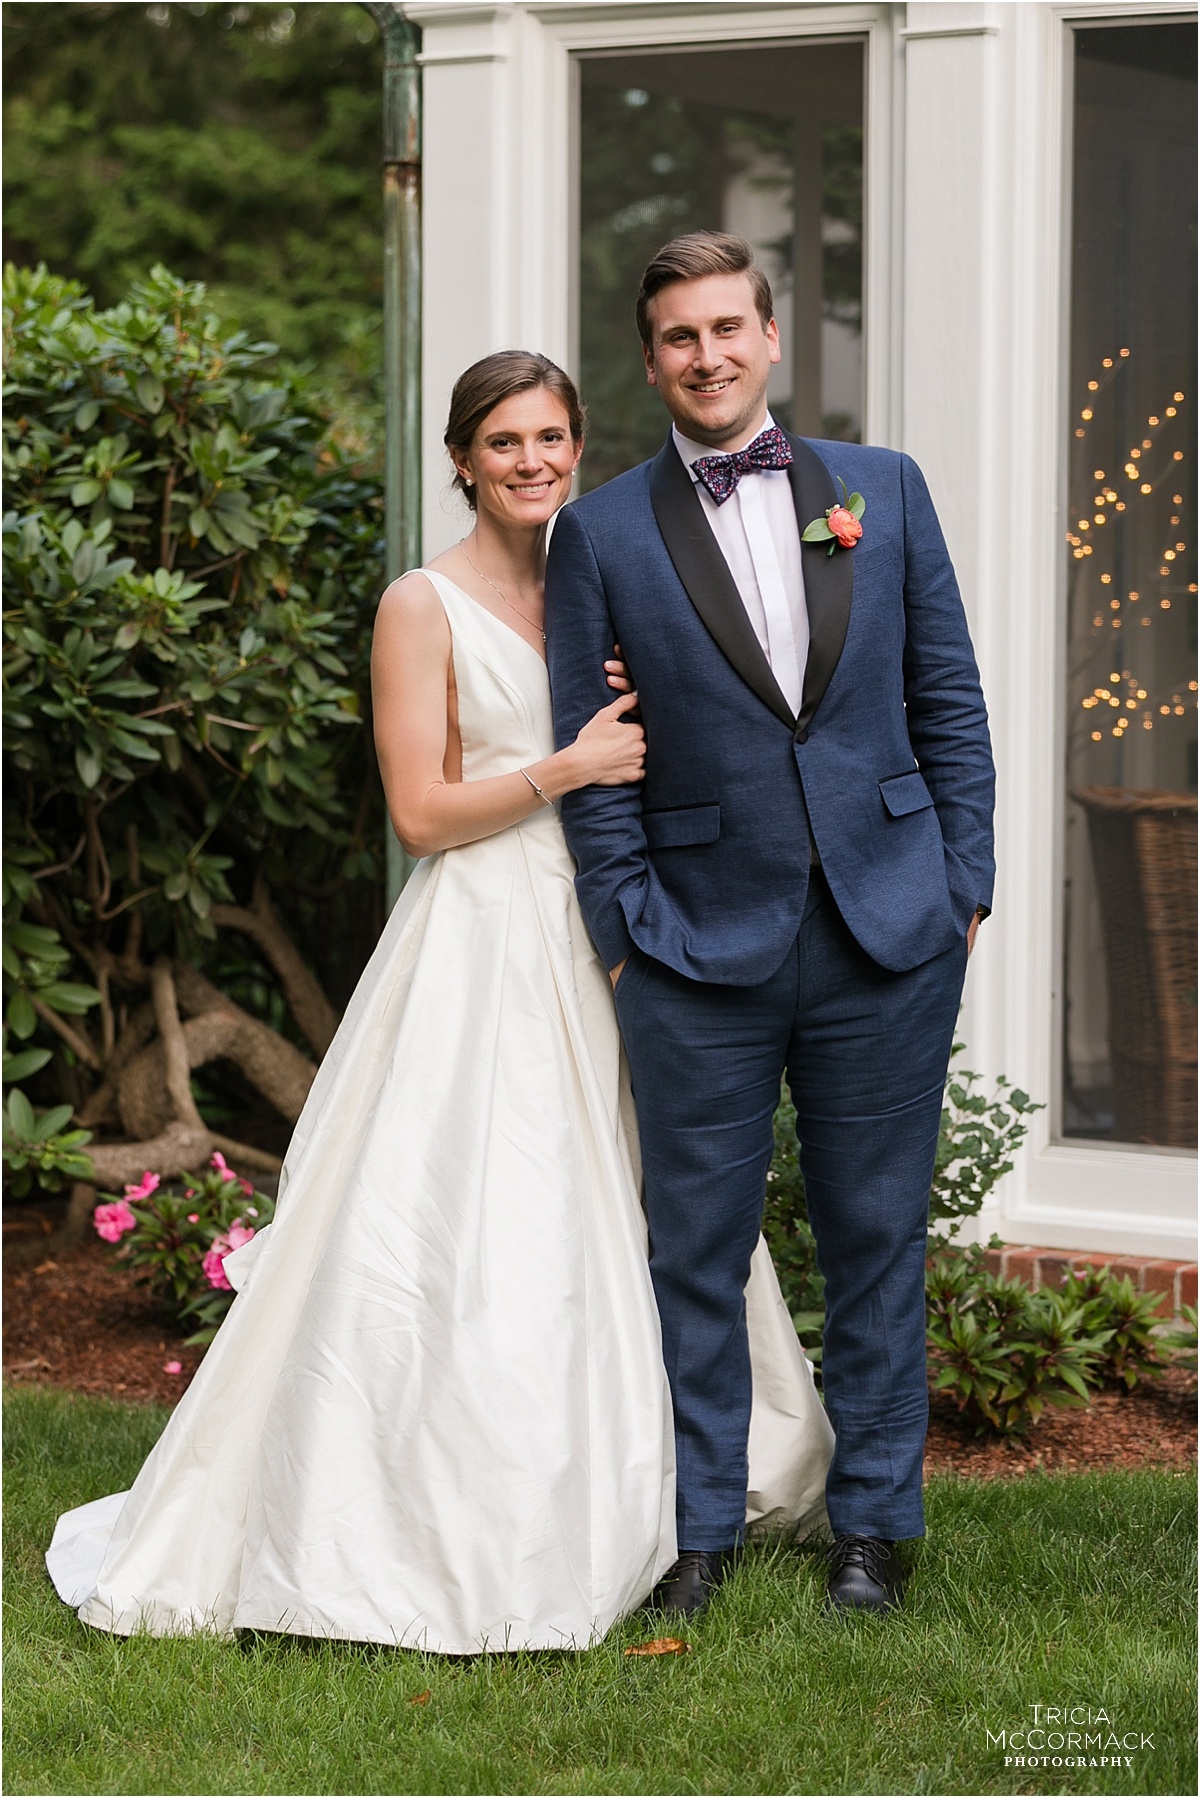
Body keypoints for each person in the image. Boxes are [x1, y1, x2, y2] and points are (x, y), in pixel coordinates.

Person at [46, 351, 832, 1654]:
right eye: (506, 441)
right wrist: (566, 769)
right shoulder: (422, 604)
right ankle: (454, 1510)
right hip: (483, 933)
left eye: (553, 437)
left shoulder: (609, 577)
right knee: (489, 1215)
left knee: (652, 1198)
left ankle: (669, 1482)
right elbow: (420, 813)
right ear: (462, 459)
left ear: (580, 446)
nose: (534, 461)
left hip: (614, 931)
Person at [546, 233, 995, 1616]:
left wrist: (962, 888)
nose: (708, 355)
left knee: (874, 1234)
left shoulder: (887, 491)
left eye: (729, 327)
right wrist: (624, 926)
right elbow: (592, 744)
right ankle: (700, 1529)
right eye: (680, 336)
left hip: (888, 931)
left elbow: (951, 705)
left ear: (772, 336)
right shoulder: (601, 533)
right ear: (651, 358)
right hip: (692, 943)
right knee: (692, 1247)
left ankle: (871, 1527)